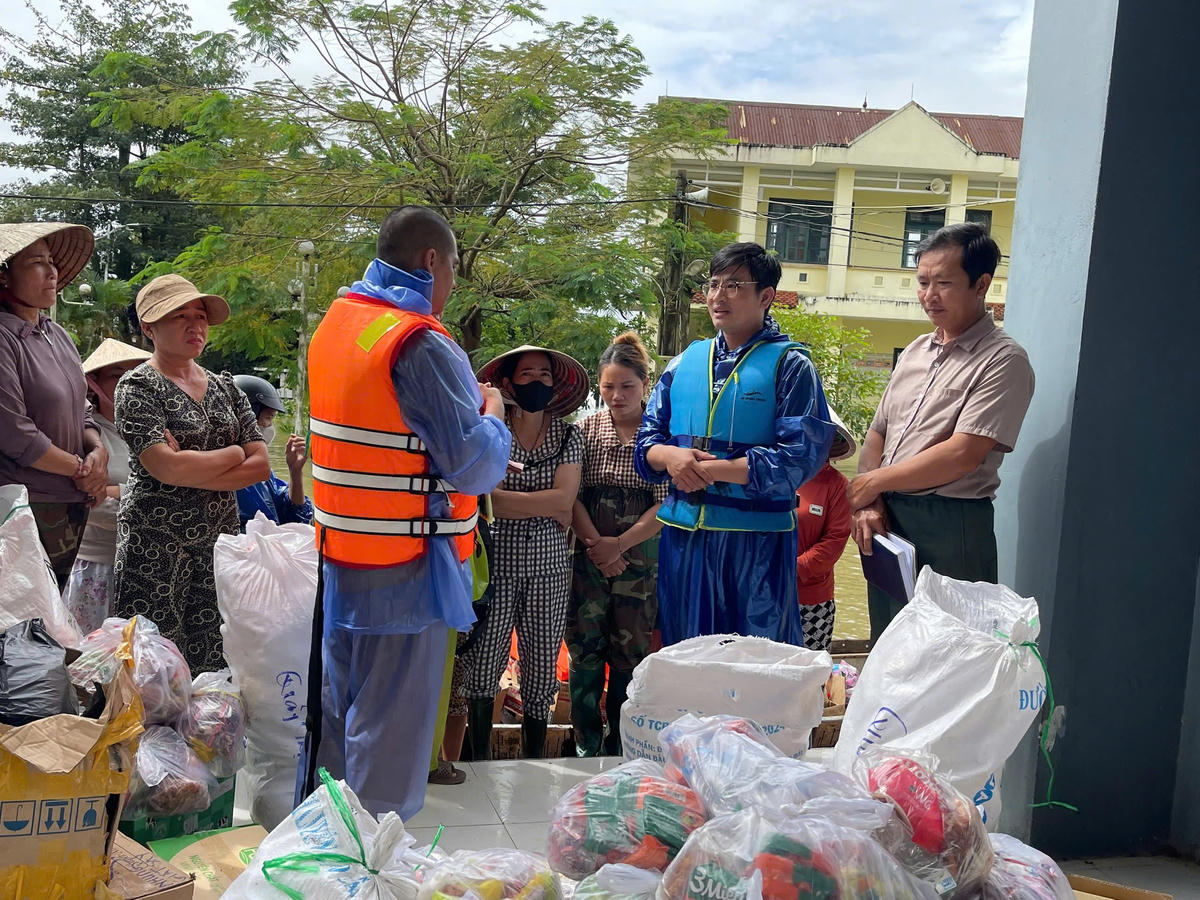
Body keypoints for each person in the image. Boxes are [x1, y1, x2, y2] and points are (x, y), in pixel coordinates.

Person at [303, 206, 510, 820]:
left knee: (342, 726)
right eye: (452, 272)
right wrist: (493, 411)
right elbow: (474, 464)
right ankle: (371, 873)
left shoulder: (339, 326)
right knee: (390, 747)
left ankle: (329, 861)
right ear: (431, 261)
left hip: (344, 561)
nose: (450, 290)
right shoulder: (418, 342)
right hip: (406, 568)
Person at [635, 242, 834, 647]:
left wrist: (708, 472)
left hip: (754, 542)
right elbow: (646, 442)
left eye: (733, 285)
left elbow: (800, 456)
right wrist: (672, 457)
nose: (717, 296)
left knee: (752, 660)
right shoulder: (683, 362)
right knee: (686, 650)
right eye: (713, 284)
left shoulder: (793, 365)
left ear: (765, 296)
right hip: (685, 539)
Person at [847, 222, 1035, 641]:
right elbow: (878, 430)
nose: (929, 295)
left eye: (943, 283)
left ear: (981, 284)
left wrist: (870, 483)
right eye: (922, 282)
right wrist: (870, 501)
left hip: (950, 525)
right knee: (891, 642)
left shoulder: (1003, 360)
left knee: (949, 651)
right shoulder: (915, 349)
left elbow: (962, 454)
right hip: (888, 519)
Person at [112, 274, 270, 673]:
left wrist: (188, 469)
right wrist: (233, 452)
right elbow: (164, 466)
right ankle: (146, 737)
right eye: (178, 315)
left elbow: (261, 464)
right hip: (156, 544)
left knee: (213, 656)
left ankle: (202, 738)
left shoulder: (226, 387)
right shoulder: (137, 386)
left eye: (200, 315)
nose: (195, 325)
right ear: (149, 327)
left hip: (218, 540)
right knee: (152, 662)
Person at [462, 345, 587, 759]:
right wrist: (546, 501)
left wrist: (506, 499)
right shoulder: (493, 430)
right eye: (528, 374)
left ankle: (534, 759)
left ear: (556, 385)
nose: (536, 382)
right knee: (484, 663)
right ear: (508, 382)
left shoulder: (569, 435)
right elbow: (482, 496)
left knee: (541, 666)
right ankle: (478, 759)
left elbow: (565, 500)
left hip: (550, 570)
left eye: (544, 376)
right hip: (496, 567)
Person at [568, 332, 665, 756]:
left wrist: (619, 545)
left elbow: (665, 506)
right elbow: (569, 494)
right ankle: (585, 743)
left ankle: (622, 745)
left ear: (645, 384)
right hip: (588, 554)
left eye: (627, 386)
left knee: (631, 650)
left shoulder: (660, 434)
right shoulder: (585, 429)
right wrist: (597, 545)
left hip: (639, 558)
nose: (617, 395)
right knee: (585, 648)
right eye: (608, 387)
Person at [0, 223, 109, 589]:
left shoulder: (56, 334)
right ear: (4, 276)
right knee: (19, 622)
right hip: (20, 506)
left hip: (69, 504)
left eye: (52, 261)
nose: (52, 272)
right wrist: (83, 471)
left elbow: (82, 409)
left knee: (52, 621)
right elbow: (16, 434)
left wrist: (97, 450)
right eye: (36, 263)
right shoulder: (3, 338)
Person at [63, 339, 152, 634]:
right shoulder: (86, 436)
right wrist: (144, 495)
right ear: (94, 383)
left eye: (136, 372)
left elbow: (181, 490)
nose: (129, 381)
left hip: (150, 566)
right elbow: (90, 500)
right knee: (93, 665)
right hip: (98, 567)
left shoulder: (157, 430)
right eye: (116, 375)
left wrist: (116, 491)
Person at [794, 409, 855, 652]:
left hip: (811, 598)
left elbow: (834, 541)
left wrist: (792, 568)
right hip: (765, 588)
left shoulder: (837, 485)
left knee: (808, 671)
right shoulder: (777, 474)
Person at [232, 374, 312, 530]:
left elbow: (294, 514)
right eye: (268, 418)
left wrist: (295, 472)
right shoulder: (220, 466)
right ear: (247, 417)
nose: (270, 427)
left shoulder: (260, 470)